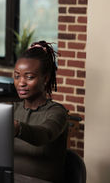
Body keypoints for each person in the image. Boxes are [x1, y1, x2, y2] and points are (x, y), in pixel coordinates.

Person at [13, 41, 68, 183]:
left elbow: (44, 134)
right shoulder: (11, 109)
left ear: (45, 78)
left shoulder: (57, 113)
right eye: (17, 76)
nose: (21, 83)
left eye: (29, 77)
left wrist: (18, 128)